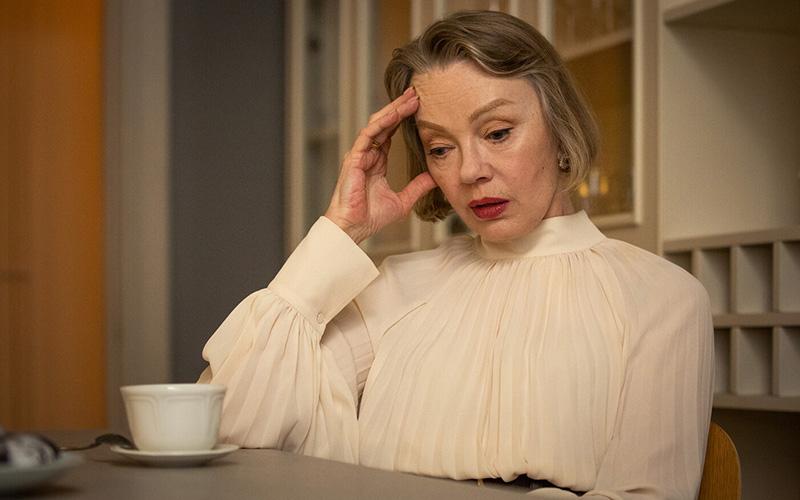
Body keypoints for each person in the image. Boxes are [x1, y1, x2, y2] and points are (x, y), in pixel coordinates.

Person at [199, 10, 713, 499]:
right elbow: (233, 430)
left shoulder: (661, 297)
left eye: (497, 133)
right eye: (441, 148)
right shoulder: (394, 287)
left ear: (561, 130)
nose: (470, 171)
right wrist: (339, 230)